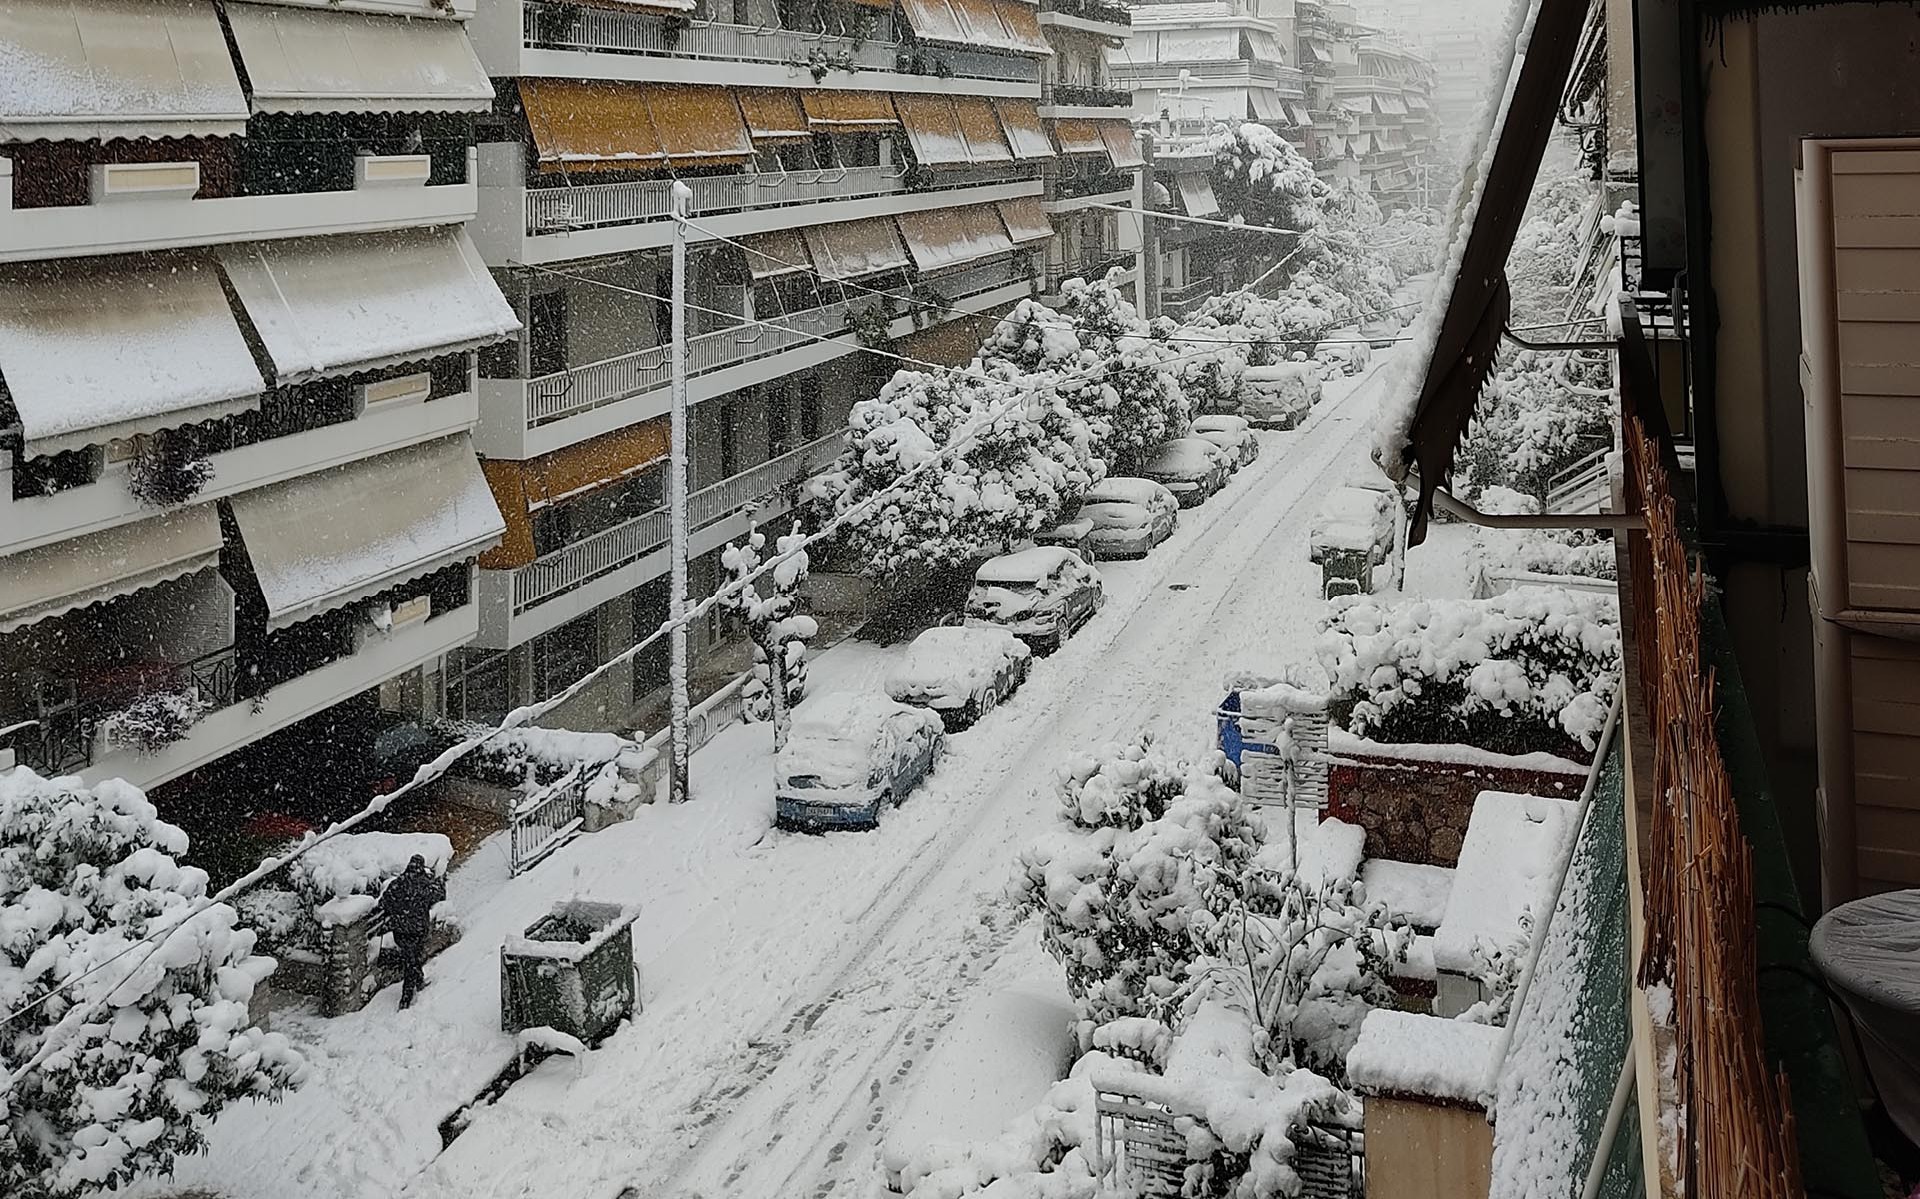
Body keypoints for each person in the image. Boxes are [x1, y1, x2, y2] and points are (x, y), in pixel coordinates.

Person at [375, 854, 445, 1010]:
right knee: (411, 962)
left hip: (400, 931)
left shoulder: (396, 884)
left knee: (411, 958)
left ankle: (419, 981)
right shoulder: (425, 885)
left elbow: (383, 903)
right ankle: (406, 998)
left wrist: (398, 911)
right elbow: (439, 895)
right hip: (418, 931)